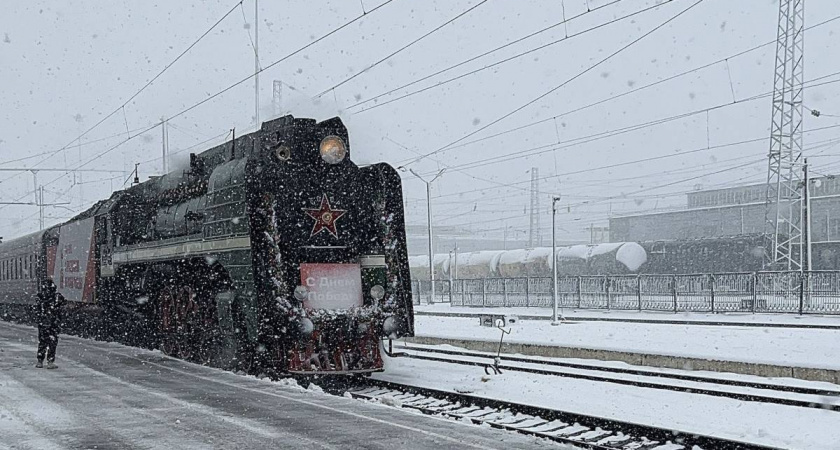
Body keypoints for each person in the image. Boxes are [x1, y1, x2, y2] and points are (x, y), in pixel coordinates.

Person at [36, 279, 65, 369]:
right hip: (53, 323)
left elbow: (37, 310)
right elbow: (62, 305)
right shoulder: (57, 297)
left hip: (43, 323)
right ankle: (50, 361)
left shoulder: (40, 297)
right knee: (52, 342)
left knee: (42, 342)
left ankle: (40, 360)